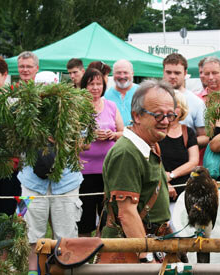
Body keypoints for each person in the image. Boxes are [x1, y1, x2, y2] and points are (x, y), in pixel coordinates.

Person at [102, 79, 177, 263]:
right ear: (136, 116)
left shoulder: (151, 144)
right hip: (130, 252)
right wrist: (146, 258)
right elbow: (126, 213)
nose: (166, 121)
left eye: (170, 115)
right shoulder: (126, 153)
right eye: (158, 115)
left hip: (152, 243)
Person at [77, 69, 123, 237]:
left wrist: (113, 135)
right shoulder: (78, 107)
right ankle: (84, 253)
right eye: (91, 84)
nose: (95, 88)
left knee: (106, 216)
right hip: (84, 172)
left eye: (99, 84)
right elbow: (71, 138)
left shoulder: (111, 105)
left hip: (108, 171)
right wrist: (92, 136)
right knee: (85, 219)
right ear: (84, 86)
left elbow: (122, 132)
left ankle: (102, 254)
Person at [0, 57, 21, 228]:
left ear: (4, 75)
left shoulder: (15, 101)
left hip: (10, 167)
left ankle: (3, 254)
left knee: (6, 215)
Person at [159, 91, 199, 205]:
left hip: (185, 192)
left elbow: (193, 161)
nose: (171, 110)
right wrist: (164, 181)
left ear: (182, 110)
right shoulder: (157, 131)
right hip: (160, 190)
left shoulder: (188, 132)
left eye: (176, 106)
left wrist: (171, 175)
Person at [162, 53, 209, 148]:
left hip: (185, 159)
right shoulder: (152, 97)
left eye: (177, 73)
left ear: (185, 73)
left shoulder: (196, 102)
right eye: (168, 72)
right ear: (163, 72)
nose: (172, 76)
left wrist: (181, 142)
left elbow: (205, 137)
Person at [104, 59, 139, 126]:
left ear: (132, 73)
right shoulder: (106, 96)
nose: (122, 76)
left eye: (125, 73)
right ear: (113, 74)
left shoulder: (142, 93)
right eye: (118, 73)